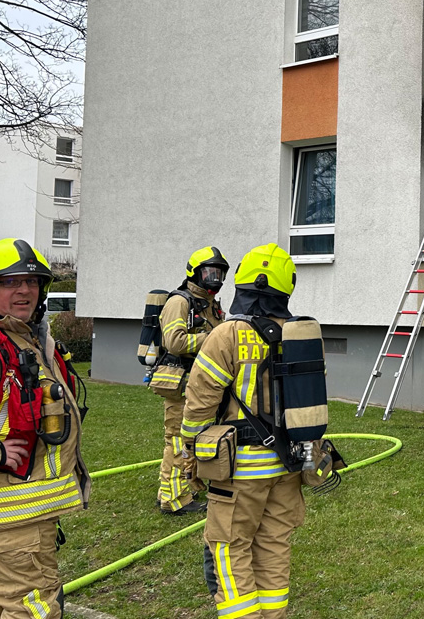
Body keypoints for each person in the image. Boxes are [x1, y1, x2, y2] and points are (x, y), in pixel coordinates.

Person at [180, 243, 307, 619]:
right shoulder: (300, 334)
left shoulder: (226, 335)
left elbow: (200, 401)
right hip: (288, 466)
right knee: (273, 547)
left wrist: (191, 451)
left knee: (230, 548)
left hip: (240, 469)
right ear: (287, 287)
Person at [0, 238, 88, 619]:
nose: (24, 290)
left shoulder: (23, 339)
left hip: (19, 522)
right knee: (32, 611)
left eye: (32, 282)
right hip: (10, 525)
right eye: (10, 282)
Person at [154, 246, 228, 515]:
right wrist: (215, 339)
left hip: (201, 382)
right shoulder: (180, 302)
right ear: (195, 273)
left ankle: (171, 488)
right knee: (177, 440)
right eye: (210, 272)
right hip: (181, 382)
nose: (215, 278)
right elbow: (174, 342)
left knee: (191, 439)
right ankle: (174, 501)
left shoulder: (209, 305)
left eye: (219, 273)